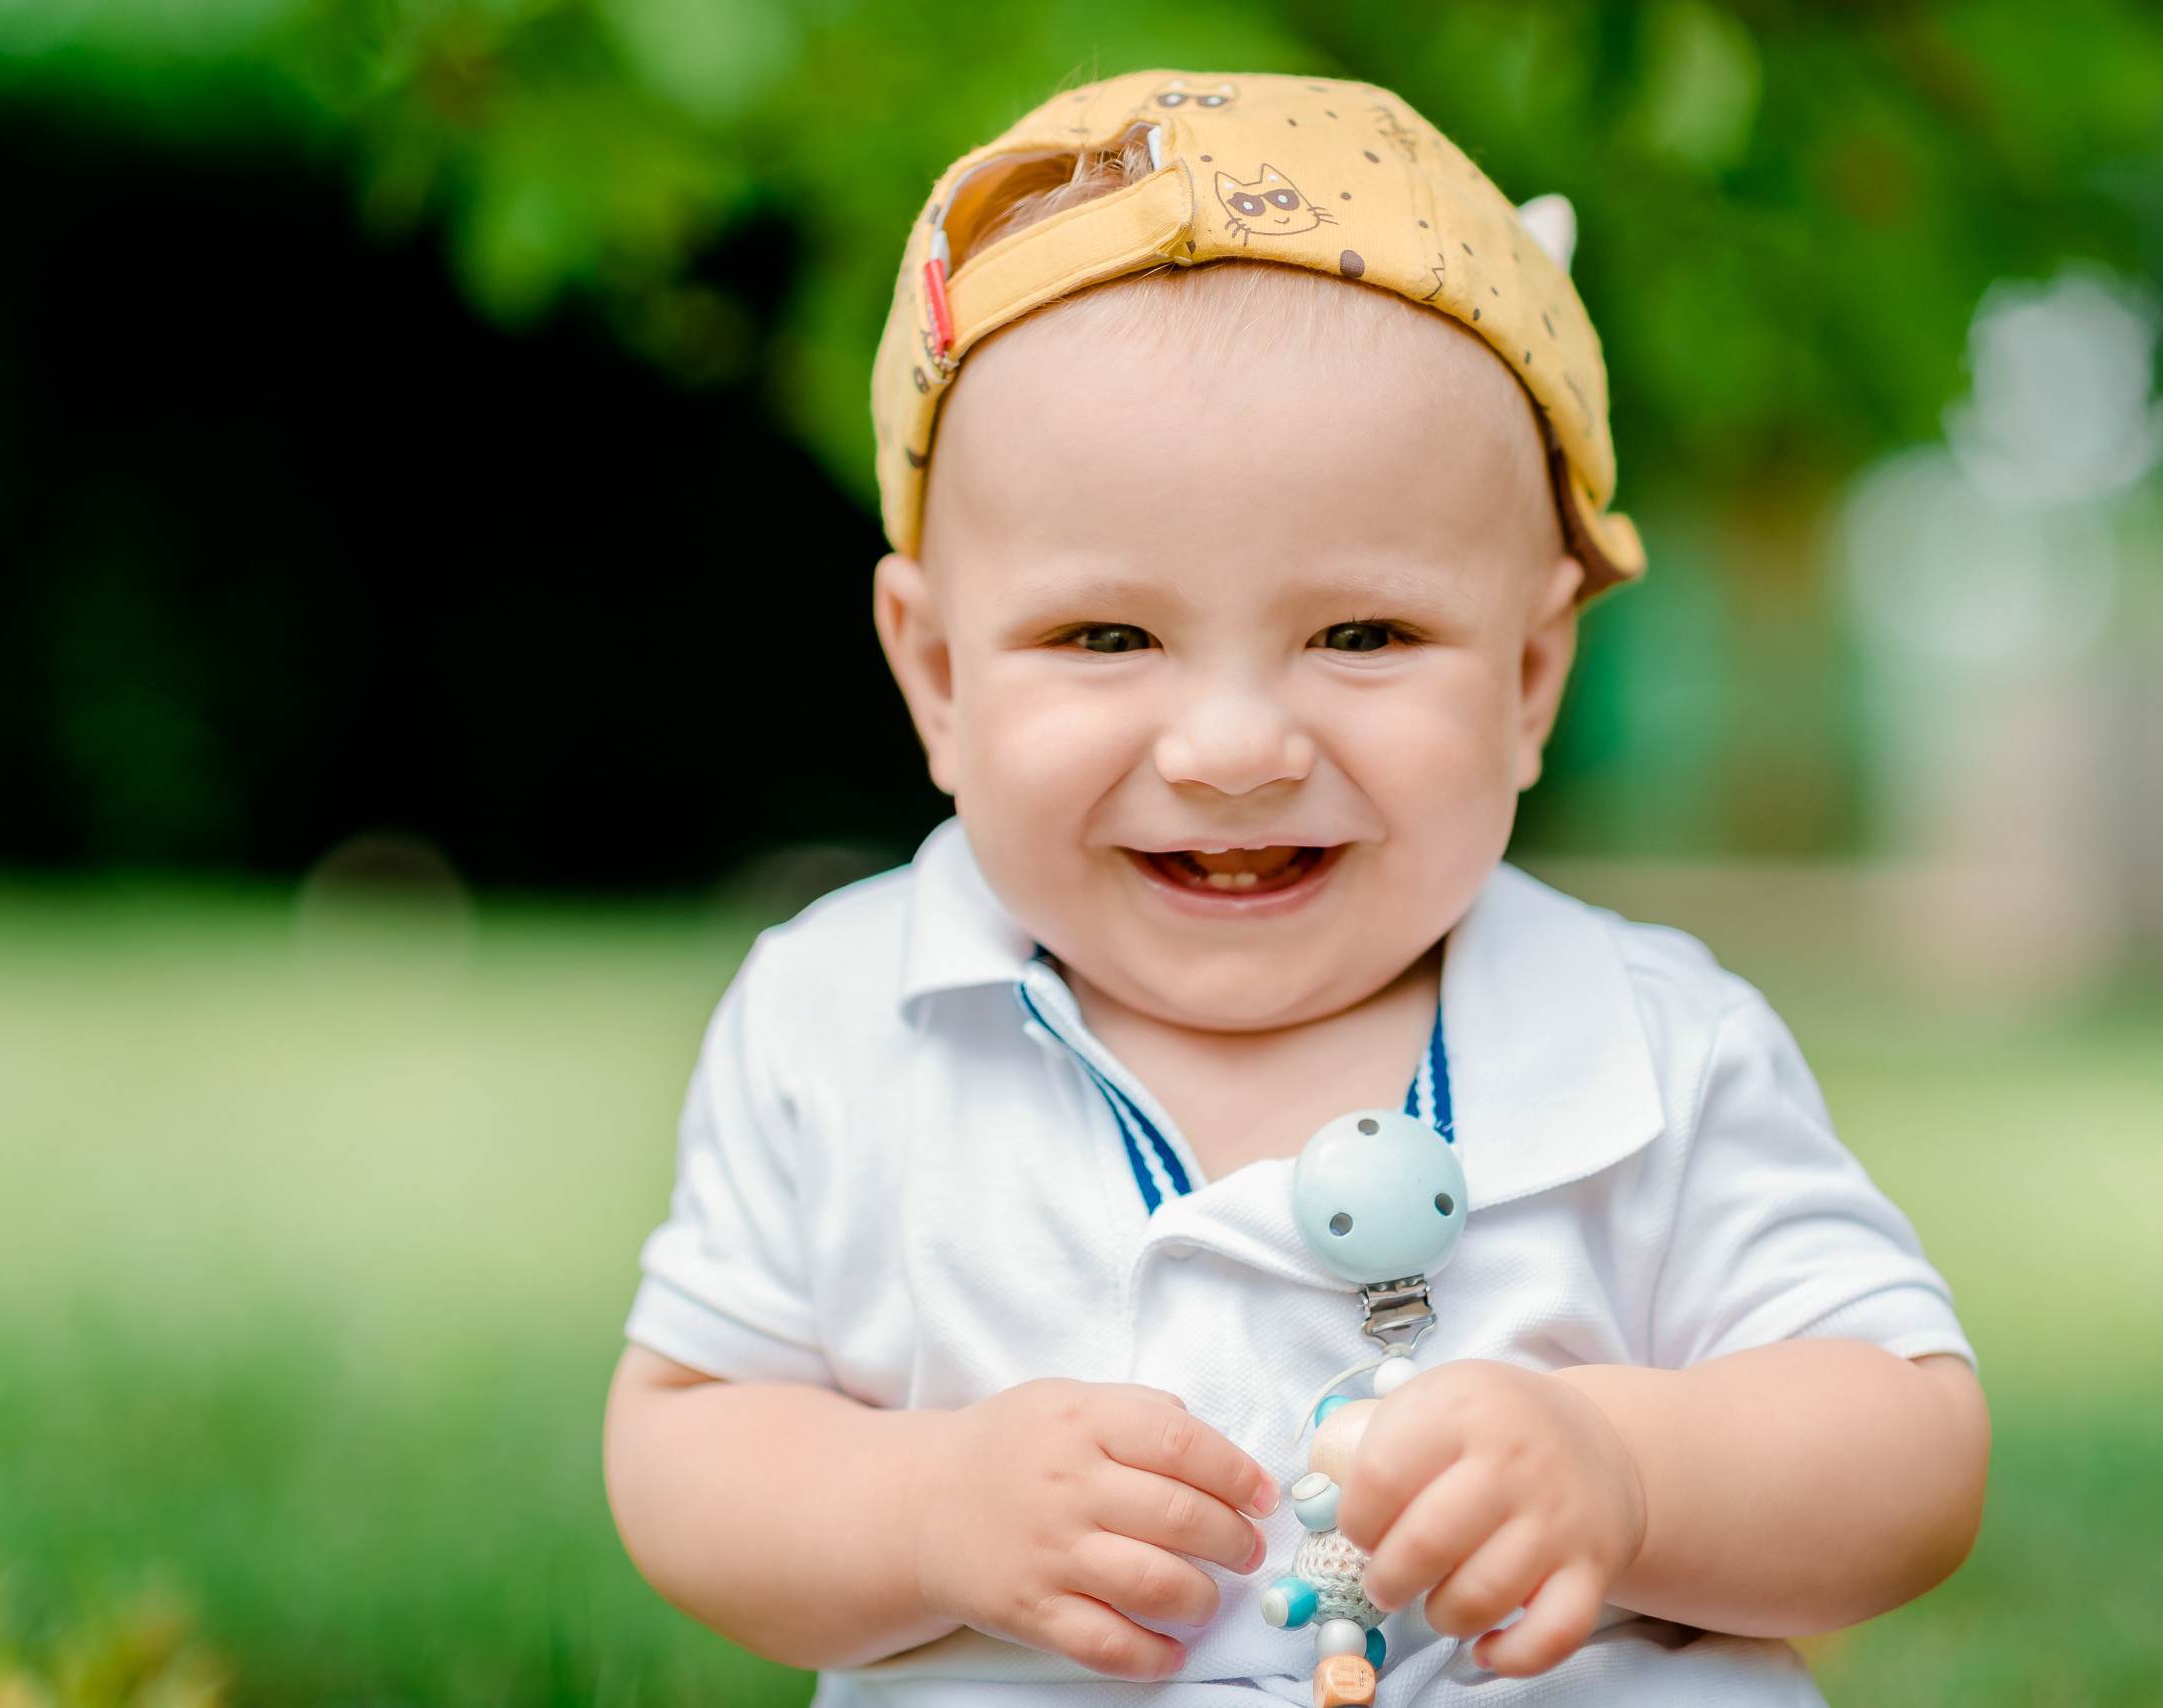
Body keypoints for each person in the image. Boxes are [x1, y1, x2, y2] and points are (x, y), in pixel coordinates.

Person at [603, 70, 1989, 1708]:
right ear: (938, 677)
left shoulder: (1649, 1042)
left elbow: (1907, 1440)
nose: (1237, 746)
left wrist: (1630, 1471)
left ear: (1533, 673)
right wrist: (925, 1509)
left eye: (1364, 634)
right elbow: (686, 1441)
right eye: (1106, 637)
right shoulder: (840, 1023)